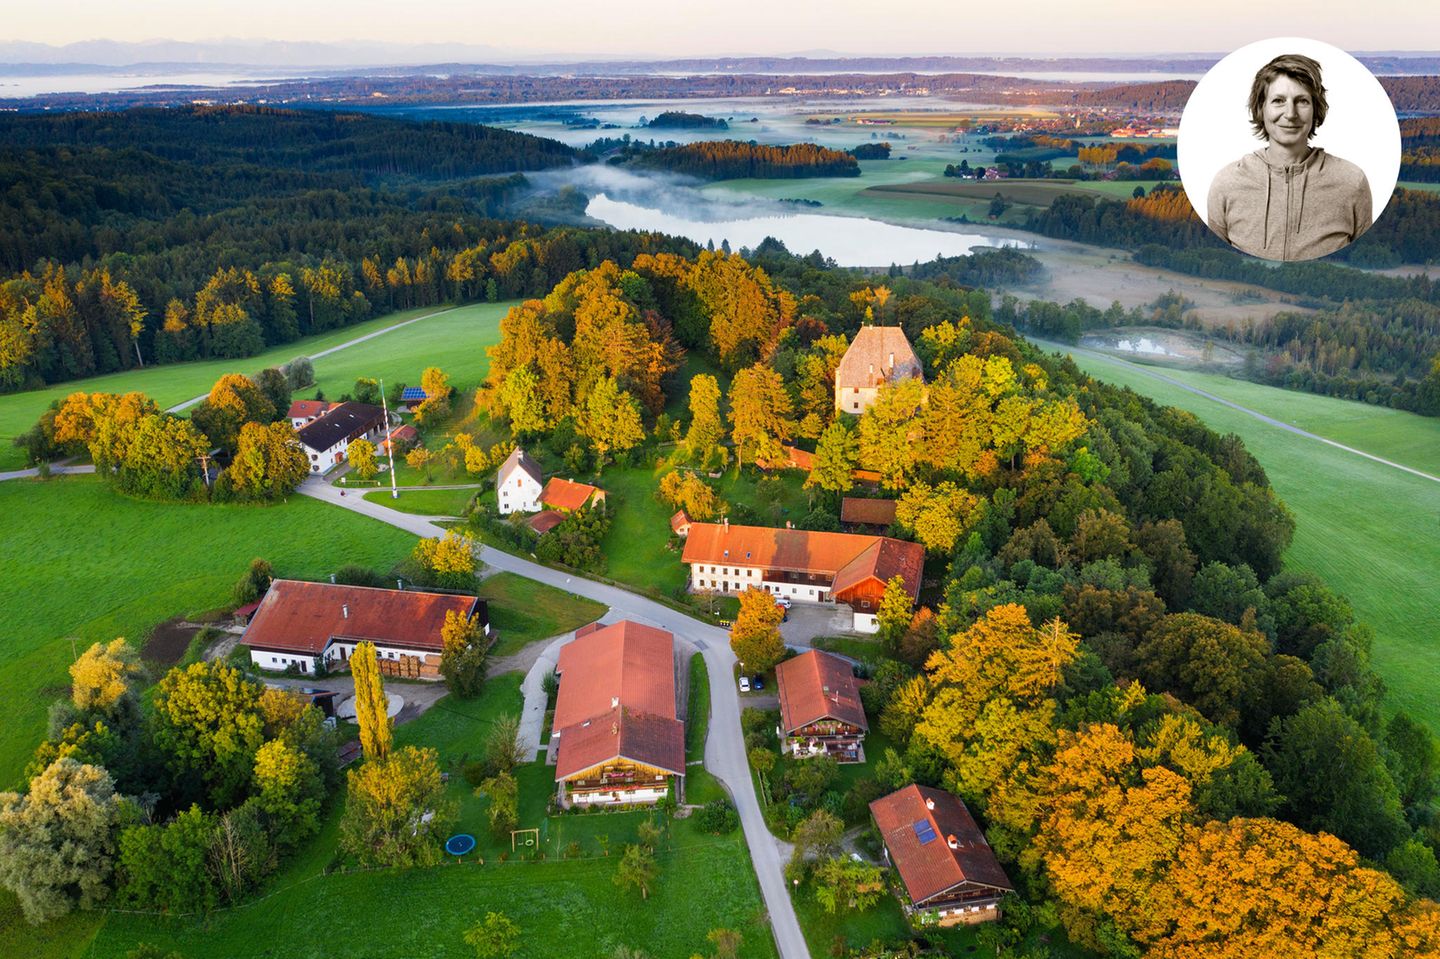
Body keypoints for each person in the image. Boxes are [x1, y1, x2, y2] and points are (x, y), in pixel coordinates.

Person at [1206, 53, 1372, 261]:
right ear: (1260, 109)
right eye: (1278, 101)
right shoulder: (1227, 182)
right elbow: (1215, 261)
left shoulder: (1351, 181)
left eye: (1302, 101)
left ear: (1315, 110)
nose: (1290, 114)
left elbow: (1364, 262)